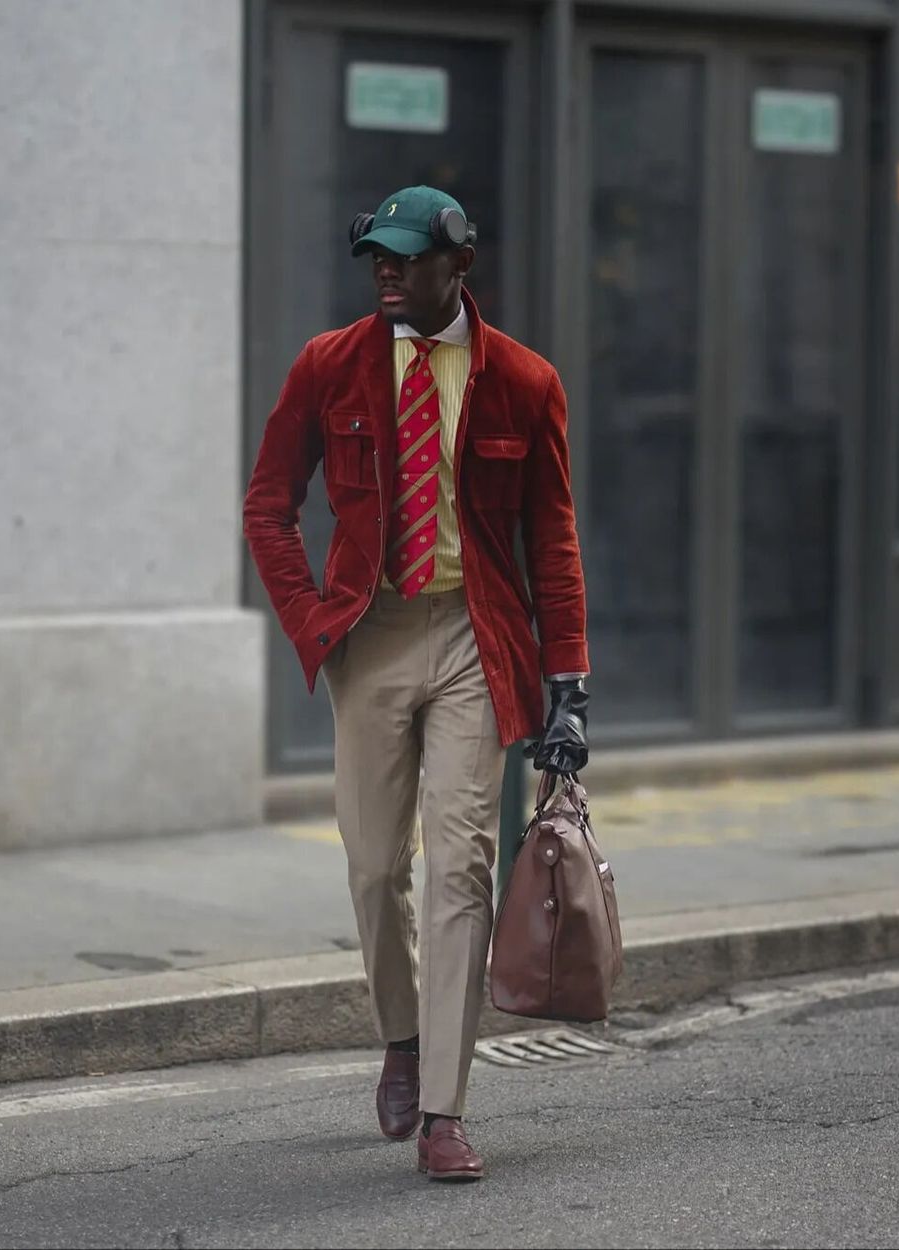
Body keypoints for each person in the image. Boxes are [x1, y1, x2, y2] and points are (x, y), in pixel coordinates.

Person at [243, 185, 590, 1182]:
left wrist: (568, 680)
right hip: (373, 632)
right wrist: (312, 617)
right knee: (372, 866)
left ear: (458, 265)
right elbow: (269, 503)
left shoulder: (524, 379)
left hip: (477, 639)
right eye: (376, 259)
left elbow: (551, 541)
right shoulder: (330, 363)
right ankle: (400, 1032)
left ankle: (444, 1103)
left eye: (406, 257)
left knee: (460, 867)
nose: (386, 273)